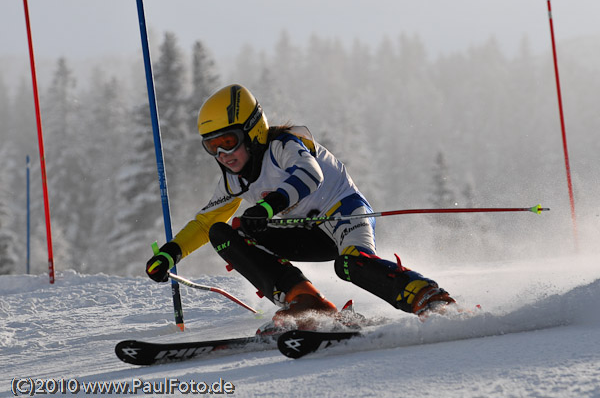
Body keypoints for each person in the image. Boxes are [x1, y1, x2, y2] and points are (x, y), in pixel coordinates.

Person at [146, 84, 455, 329]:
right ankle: (306, 301)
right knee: (224, 232)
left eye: (228, 141)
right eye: (211, 146)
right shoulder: (234, 180)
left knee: (350, 265)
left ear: (252, 130)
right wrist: (170, 254)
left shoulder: (283, 146)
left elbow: (310, 174)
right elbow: (203, 224)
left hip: (342, 214)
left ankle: (429, 298)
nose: (222, 154)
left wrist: (268, 208)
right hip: (305, 233)